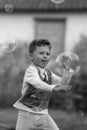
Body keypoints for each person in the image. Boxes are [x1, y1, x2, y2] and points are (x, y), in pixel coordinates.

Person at [13, 39, 73, 130]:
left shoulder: (48, 73)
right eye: (41, 53)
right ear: (31, 56)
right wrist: (53, 88)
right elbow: (38, 83)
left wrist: (67, 70)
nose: (45, 56)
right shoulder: (31, 71)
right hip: (27, 114)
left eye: (47, 54)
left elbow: (62, 83)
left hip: (43, 114)